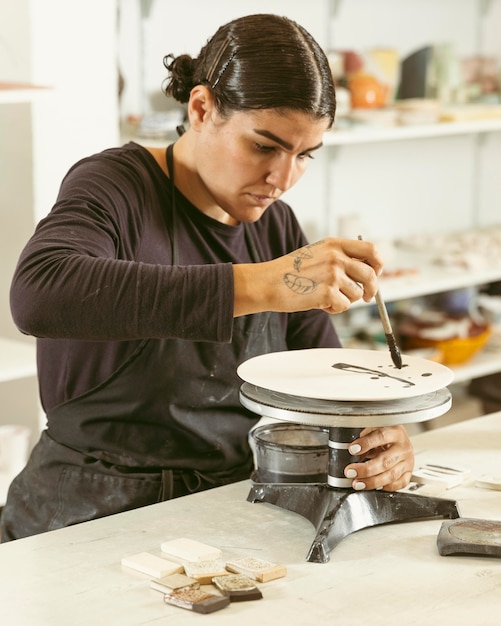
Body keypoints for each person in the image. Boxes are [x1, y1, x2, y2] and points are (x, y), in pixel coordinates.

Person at [1, 13, 414, 542]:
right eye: (264, 146)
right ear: (201, 109)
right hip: (85, 513)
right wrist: (267, 284)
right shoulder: (115, 186)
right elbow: (40, 294)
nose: (282, 180)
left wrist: (373, 443)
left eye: (304, 155)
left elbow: (324, 383)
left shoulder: (276, 224)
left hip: (224, 510)